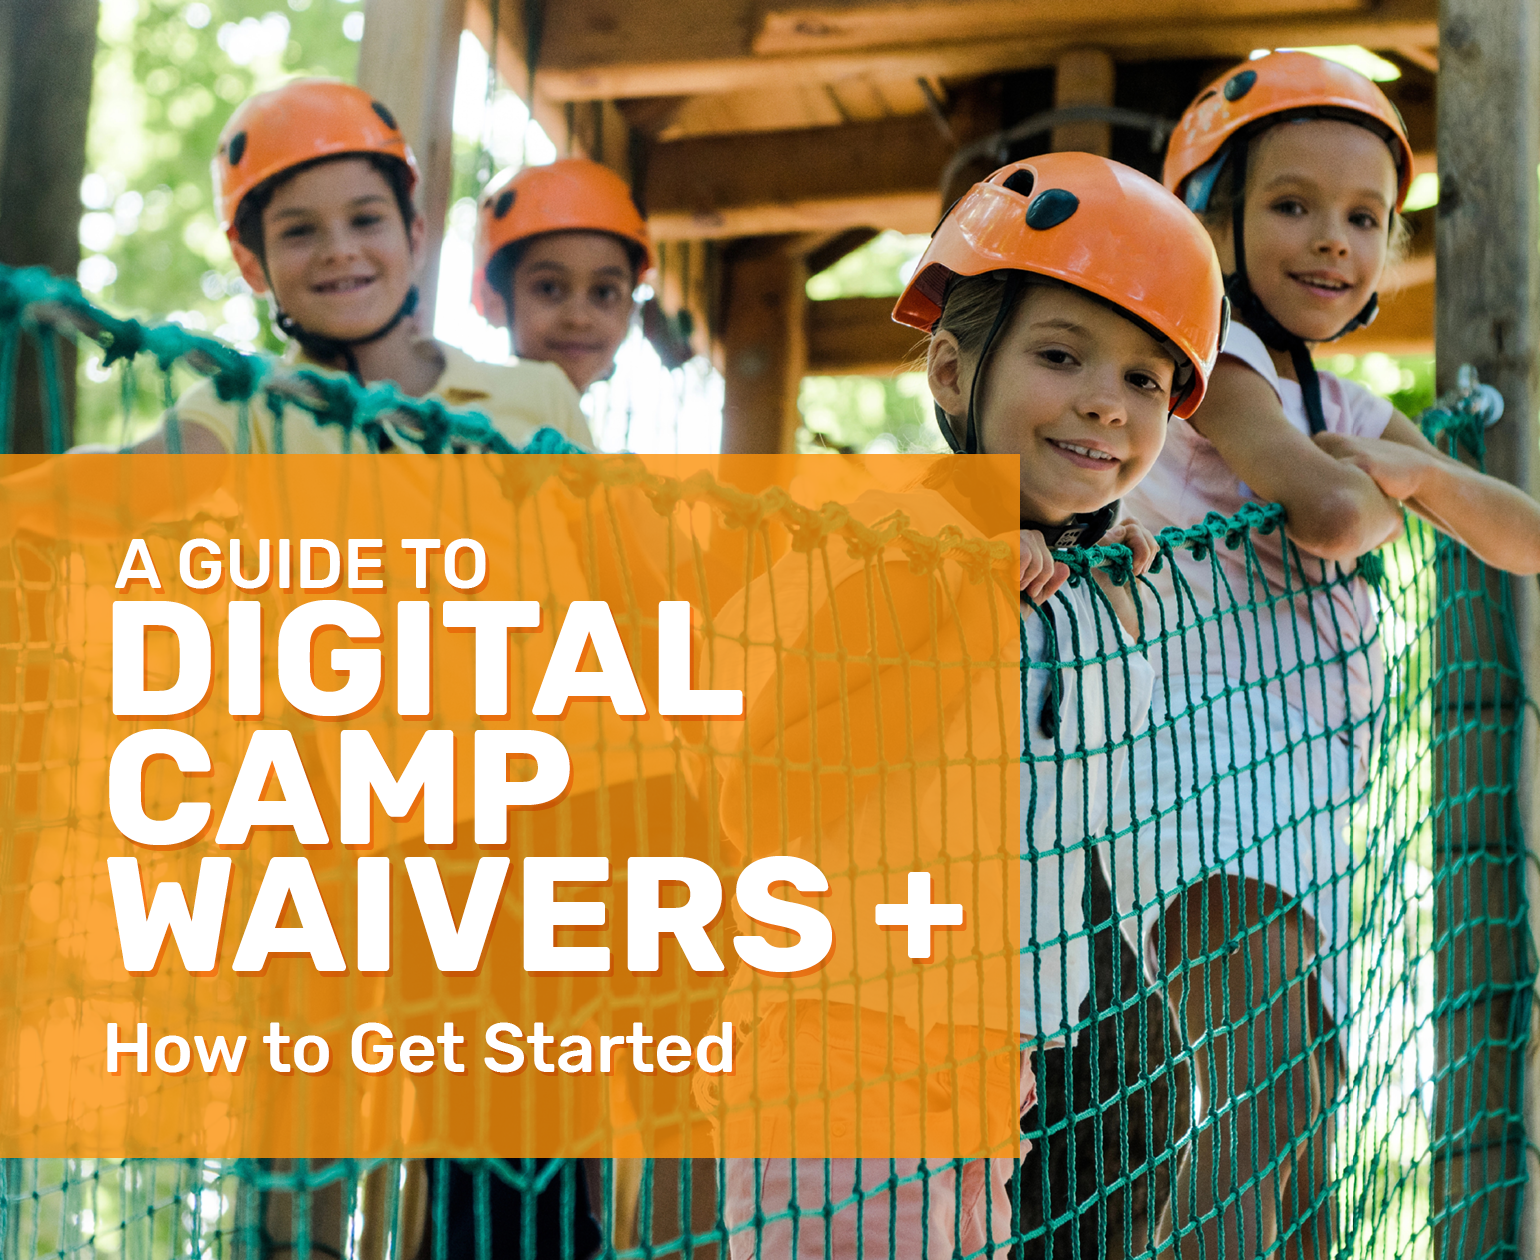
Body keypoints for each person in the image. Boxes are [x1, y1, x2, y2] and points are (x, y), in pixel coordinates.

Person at [707, 151, 1226, 1259]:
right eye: (1058, 354)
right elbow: (766, 789)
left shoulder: (1079, 583)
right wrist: (956, 576)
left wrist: (1096, 597)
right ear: (949, 371)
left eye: (1145, 380)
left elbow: (1098, 809)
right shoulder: (877, 535)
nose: (1103, 400)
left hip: (988, 1072)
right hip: (841, 1059)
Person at [1113, 49, 1540, 1260]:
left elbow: (1519, 534)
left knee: (1305, 1120)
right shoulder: (1213, 371)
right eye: (1291, 205)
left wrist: (1408, 467)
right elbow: (1334, 517)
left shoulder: (1346, 407)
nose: (1331, 242)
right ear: (1212, 224)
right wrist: (1399, 488)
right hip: (1188, 788)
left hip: (1299, 809)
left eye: (1364, 218)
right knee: (1267, 1100)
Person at [130, 78, 594, 455]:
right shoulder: (244, 411)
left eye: (366, 220)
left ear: (414, 237)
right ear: (251, 264)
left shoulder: (542, 397)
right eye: (299, 231)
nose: (339, 250)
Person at [472, 157, 650, 396]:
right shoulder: (471, 428)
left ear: (631, 308)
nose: (578, 319)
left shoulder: (571, 429)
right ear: (494, 300)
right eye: (549, 288)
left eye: (604, 292)